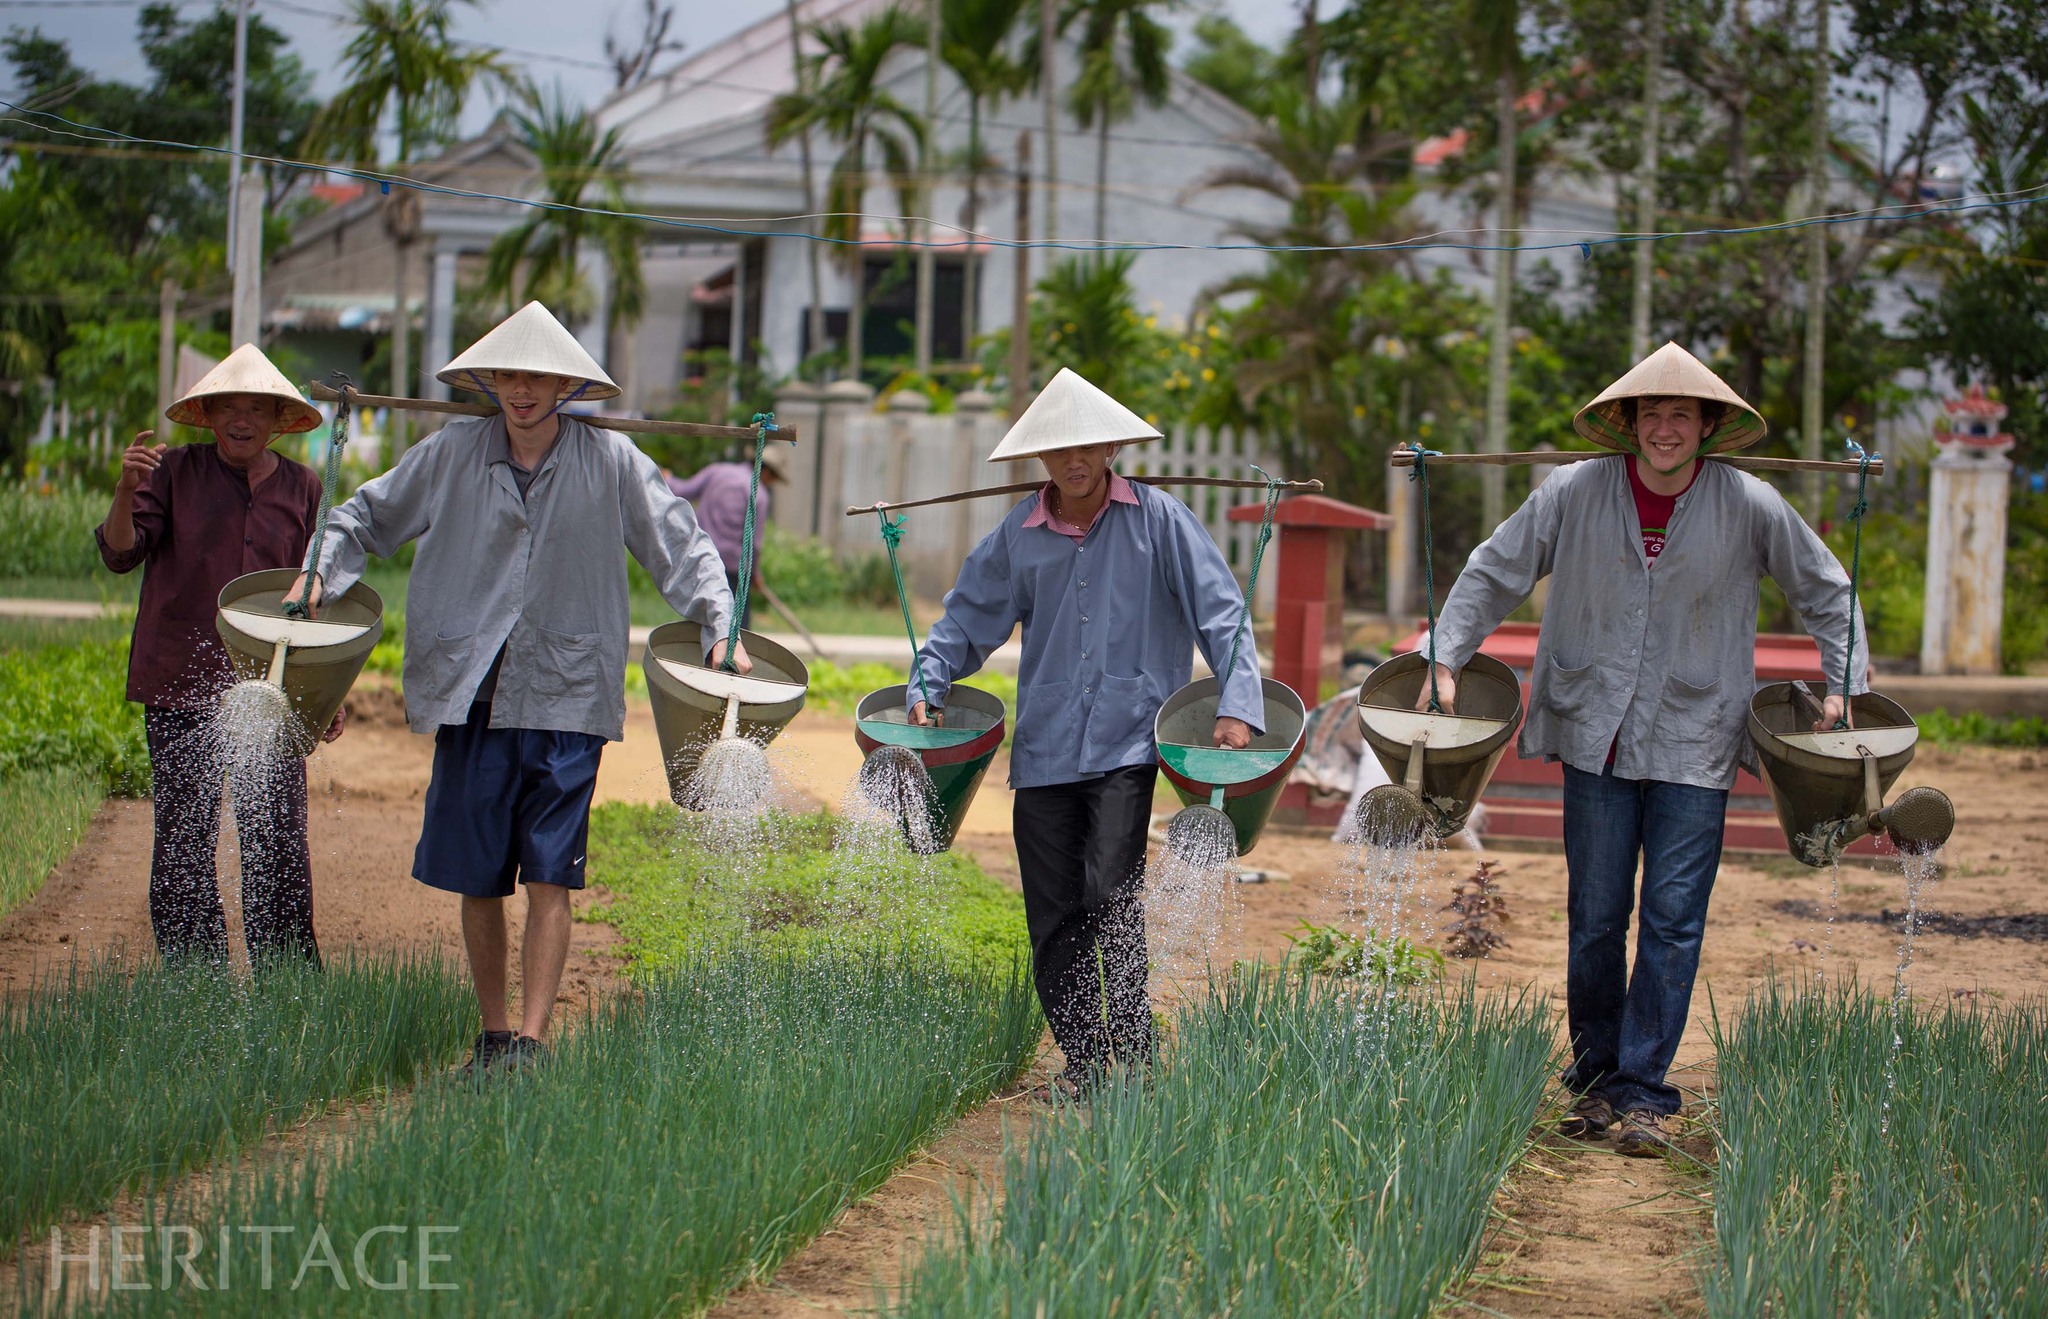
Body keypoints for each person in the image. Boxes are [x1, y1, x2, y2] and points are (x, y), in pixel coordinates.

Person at [1421, 343, 1865, 1155]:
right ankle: (1593, 1081)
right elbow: (1494, 570)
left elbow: (1828, 591)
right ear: (1628, 425)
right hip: (1597, 730)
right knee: (1594, 916)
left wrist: (1844, 685)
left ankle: (1646, 1093)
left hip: (1698, 736)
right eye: (1651, 414)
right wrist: (1443, 655)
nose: (1665, 429)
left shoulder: (1751, 504)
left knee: (1673, 918)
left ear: (1708, 427)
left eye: (1681, 415)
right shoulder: (1574, 491)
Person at [286, 302, 743, 1075]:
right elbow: (363, 517)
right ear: (489, 381)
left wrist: (719, 623)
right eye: (507, 374)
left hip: (567, 696)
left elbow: (683, 545)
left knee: (550, 874)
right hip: (473, 691)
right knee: (478, 873)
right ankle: (493, 1033)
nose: (521, 389)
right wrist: (318, 570)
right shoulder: (452, 452)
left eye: (536, 375)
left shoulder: (611, 461)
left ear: (565, 384)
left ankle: (533, 1040)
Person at [908, 368, 1265, 1097]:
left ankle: (1132, 1056)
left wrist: (1237, 702)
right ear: (1042, 456)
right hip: (1044, 747)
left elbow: (1221, 612)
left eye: (1090, 446)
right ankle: (1086, 1059)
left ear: (1112, 447)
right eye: (1060, 449)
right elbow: (966, 616)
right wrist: (928, 681)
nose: (1075, 461)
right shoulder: (1020, 534)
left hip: (1129, 742)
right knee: (1053, 910)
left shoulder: (1159, 520)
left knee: (1109, 890)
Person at [96, 344, 340, 968]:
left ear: (279, 419)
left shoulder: (303, 487)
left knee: (277, 835)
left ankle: (286, 978)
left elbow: (319, 594)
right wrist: (126, 490)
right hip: (181, 682)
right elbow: (121, 554)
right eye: (228, 407)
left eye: (256, 409)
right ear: (207, 415)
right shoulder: (172, 473)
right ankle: (194, 976)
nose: (241, 420)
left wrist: (327, 692)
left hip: (272, 692)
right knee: (183, 837)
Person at [667, 443, 789, 628]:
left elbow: (682, 490)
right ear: (767, 473)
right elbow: (754, 544)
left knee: (698, 623)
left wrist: (667, 478)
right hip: (733, 570)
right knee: (735, 628)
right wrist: (754, 573)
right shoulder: (759, 495)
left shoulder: (717, 472)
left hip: (702, 560)